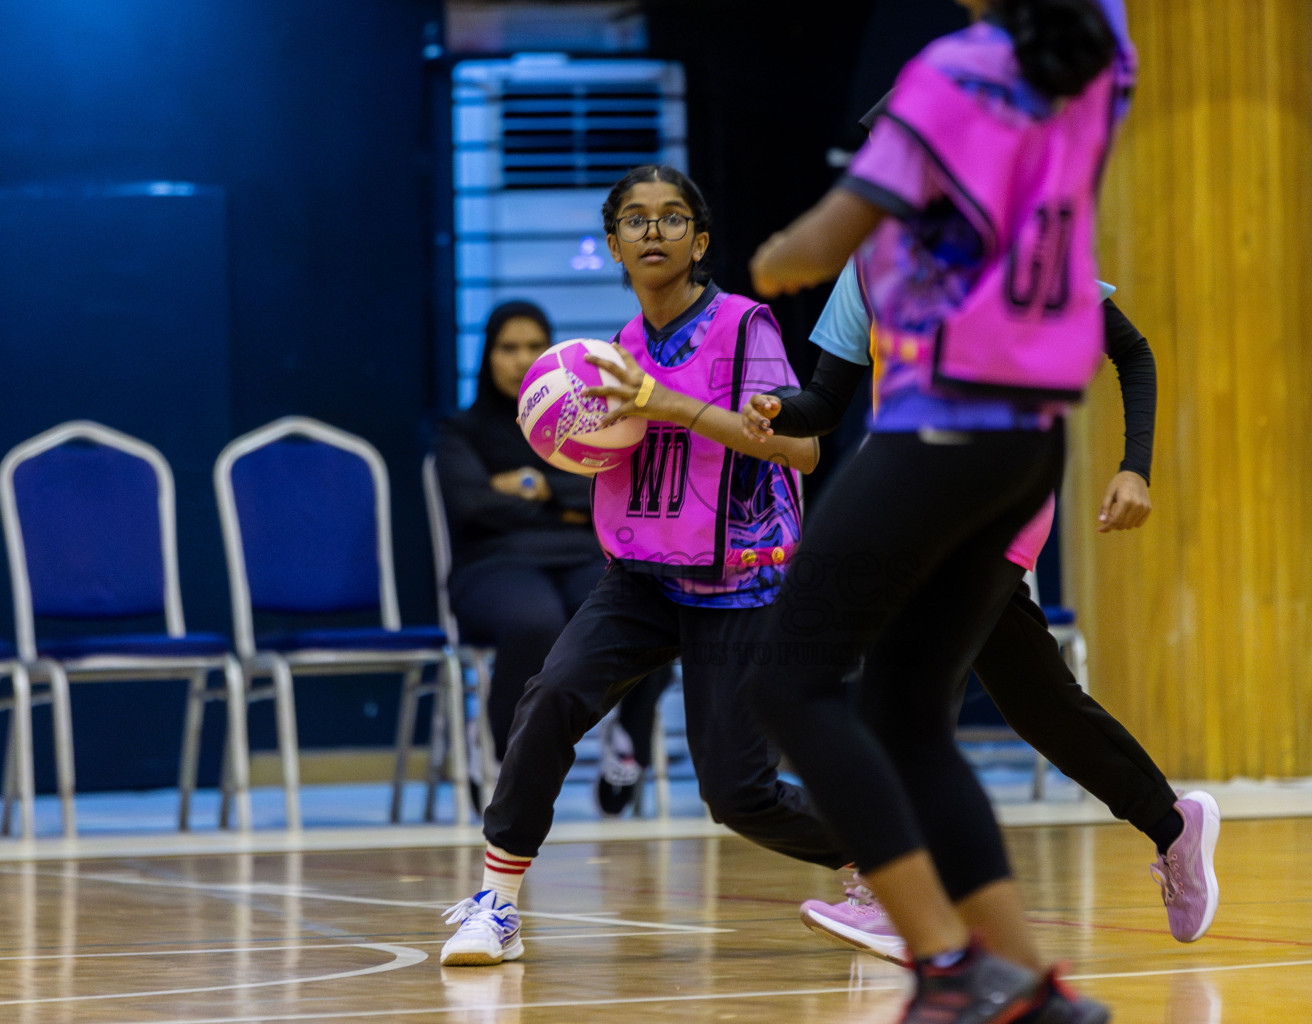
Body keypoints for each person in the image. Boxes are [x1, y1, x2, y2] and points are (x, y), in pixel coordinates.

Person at [742, 1, 1135, 1021]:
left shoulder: (952, 70)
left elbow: (825, 235)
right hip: (1029, 437)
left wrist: (781, 251)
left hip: (945, 423)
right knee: (906, 711)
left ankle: (947, 968)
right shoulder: (1097, 63)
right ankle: (1027, 985)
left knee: (789, 682)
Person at [438, 164, 852, 967]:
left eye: (670, 219)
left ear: (698, 242)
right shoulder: (615, 348)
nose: (652, 231)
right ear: (614, 246)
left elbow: (801, 449)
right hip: (641, 576)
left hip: (739, 582)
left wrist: (673, 409)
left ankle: (877, 856)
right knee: (552, 693)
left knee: (736, 795)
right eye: (635, 220)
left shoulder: (742, 328)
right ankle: (497, 901)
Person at [749, 265, 1219, 961]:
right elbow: (825, 398)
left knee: (902, 699)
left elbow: (1131, 351)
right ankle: (1170, 822)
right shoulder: (867, 264)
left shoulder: (1011, 233)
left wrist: (1134, 467)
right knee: (1038, 702)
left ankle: (902, 898)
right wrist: (777, 410)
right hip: (901, 494)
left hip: (995, 491)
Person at [434, 300, 671, 816]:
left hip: (579, 556)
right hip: (492, 568)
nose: (522, 360)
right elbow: (469, 505)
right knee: (536, 622)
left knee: (647, 610)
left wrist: (534, 491)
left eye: (534, 347)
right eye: (508, 347)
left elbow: (600, 487)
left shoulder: (586, 421)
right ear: (486, 356)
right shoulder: (462, 431)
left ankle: (627, 741)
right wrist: (559, 498)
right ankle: (498, 752)